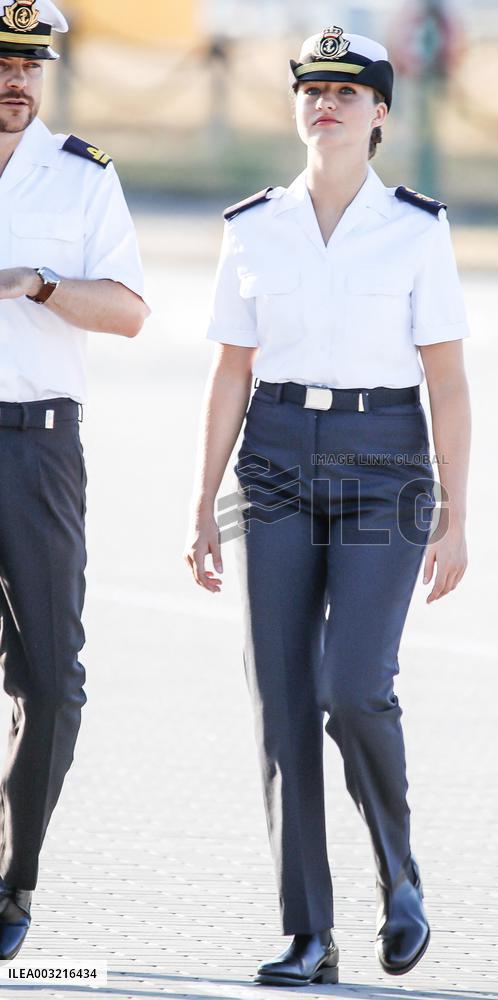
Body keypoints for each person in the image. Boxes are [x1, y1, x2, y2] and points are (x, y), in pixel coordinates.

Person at [185, 25, 471, 988]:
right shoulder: (252, 226)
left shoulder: (417, 229)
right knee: (280, 700)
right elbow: (230, 369)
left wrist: (456, 511)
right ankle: (309, 933)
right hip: (272, 459)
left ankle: (399, 873)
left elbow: (448, 382)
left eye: (347, 92)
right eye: (312, 88)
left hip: (385, 461)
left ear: (380, 112)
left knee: (352, 687)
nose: (326, 104)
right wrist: (200, 500)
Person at [0, 0, 150, 961]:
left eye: (29, 64)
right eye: (0, 63)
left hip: (38, 450)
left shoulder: (82, 176)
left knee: (52, 680)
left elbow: (130, 311)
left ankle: (13, 879)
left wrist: (41, 283)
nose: (16, 79)